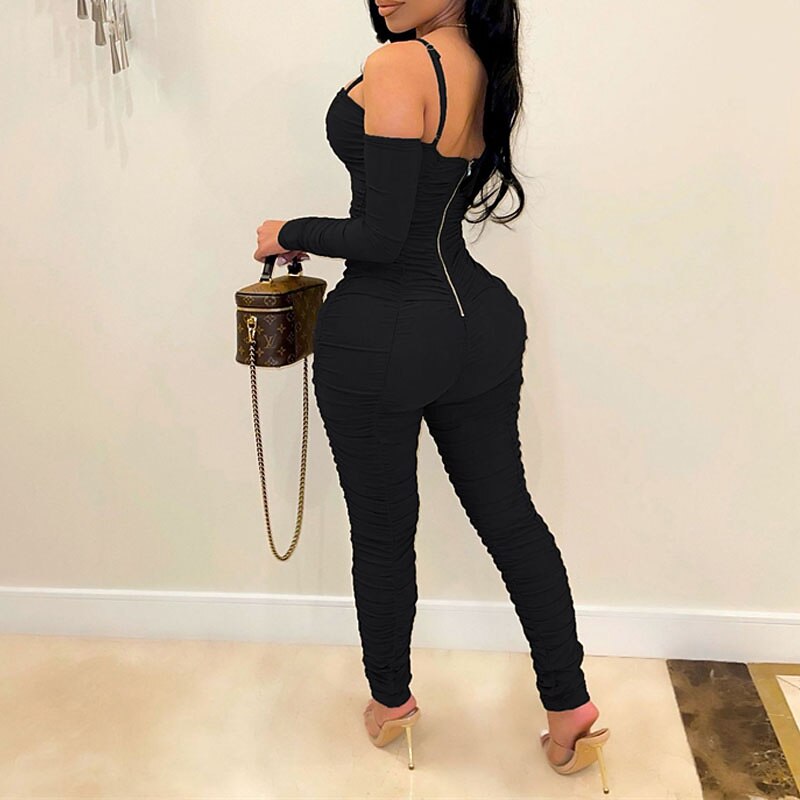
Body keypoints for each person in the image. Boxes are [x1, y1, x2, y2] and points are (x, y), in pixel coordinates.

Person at [254, 0, 610, 786]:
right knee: (511, 518)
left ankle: (391, 703)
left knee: (383, 532)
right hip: (479, 321)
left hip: (382, 331)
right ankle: (571, 708)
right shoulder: (484, 63)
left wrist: (289, 231)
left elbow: (381, 239)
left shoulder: (397, 65)